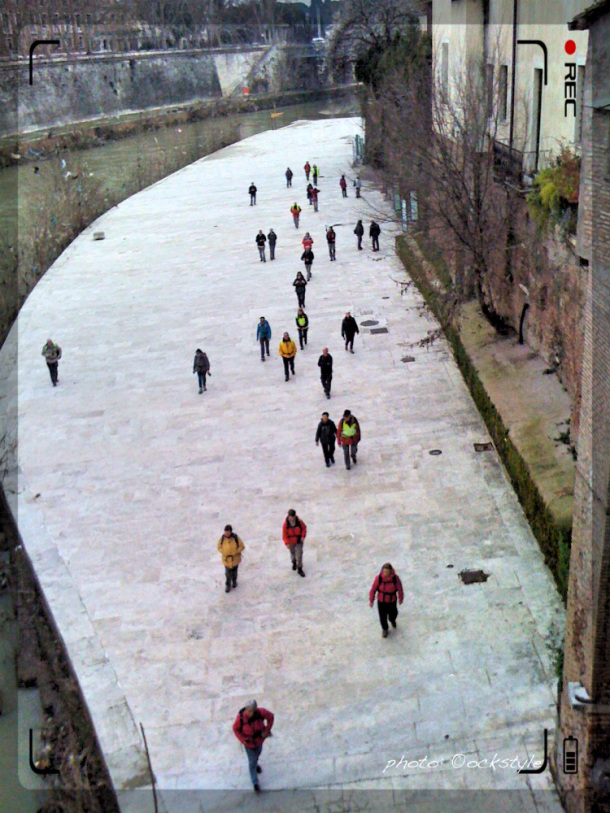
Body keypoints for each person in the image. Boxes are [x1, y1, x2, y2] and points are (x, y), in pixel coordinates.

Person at [233, 700, 274, 792]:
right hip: (249, 744)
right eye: (247, 710)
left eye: (251, 711)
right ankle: (255, 781)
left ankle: (256, 764)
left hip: (259, 741)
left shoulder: (261, 712)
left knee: (257, 754)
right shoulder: (240, 718)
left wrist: (266, 730)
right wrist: (243, 740)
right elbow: (235, 729)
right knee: (252, 761)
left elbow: (271, 717)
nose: (248, 713)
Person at [369, 563, 404, 638]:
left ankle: (392, 619)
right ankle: (385, 629)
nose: (385, 573)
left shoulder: (395, 578)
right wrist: (371, 600)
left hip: (392, 601)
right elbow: (373, 589)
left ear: (390, 571)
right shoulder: (379, 578)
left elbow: (400, 588)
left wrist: (400, 598)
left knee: (393, 613)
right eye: (384, 571)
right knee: (382, 616)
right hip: (381, 601)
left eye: (387, 571)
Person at [218, 524, 245, 592]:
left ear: (230, 532)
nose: (226, 534)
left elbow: (242, 546)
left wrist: (236, 551)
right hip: (227, 560)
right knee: (227, 574)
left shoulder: (235, 538)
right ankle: (228, 585)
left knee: (234, 573)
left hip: (235, 559)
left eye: (228, 532)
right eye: (225, 532)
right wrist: (223, 551)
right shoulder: (222, 538)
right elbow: (219, 546)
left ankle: (234, 581)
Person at [282, 508, 307, 576]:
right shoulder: (286, 524)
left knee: (299, 554)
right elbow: (284, 535)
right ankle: (294, 562)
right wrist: (287, 543)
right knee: (292, 553)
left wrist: (302, 536)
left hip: (298, 540)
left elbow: (304, 528)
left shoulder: (299, 522)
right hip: (291, 542)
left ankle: (300, 568)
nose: (291, 519)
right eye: (290, 517)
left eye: (292, 517)